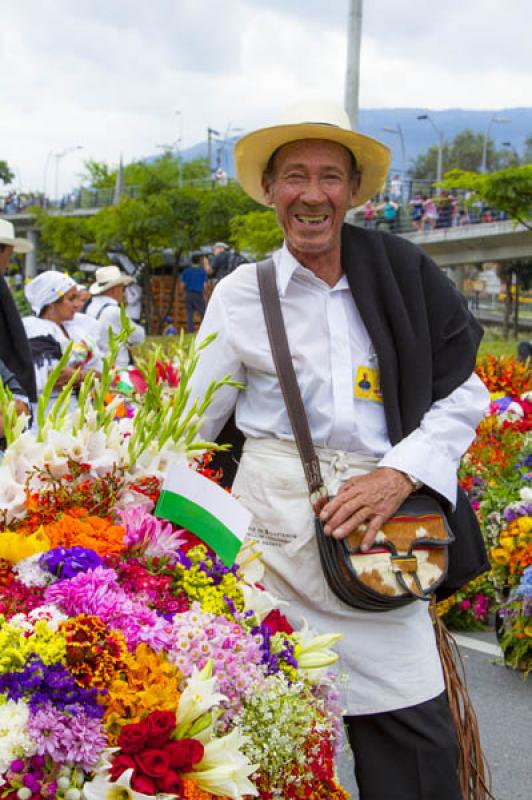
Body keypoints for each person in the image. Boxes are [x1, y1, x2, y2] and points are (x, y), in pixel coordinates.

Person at [188, 100, 490, 800]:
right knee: (272, 748)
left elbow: (464, 395)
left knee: (418, 749)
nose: (312, 194)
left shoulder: (404, 273)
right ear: (270, 190)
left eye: (330, 176)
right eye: (294, 175)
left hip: (384, 537)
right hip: (270, 556)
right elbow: (191, 426)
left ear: (354, 192)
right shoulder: (241, 295)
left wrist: (398, 472)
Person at [85, 265, 145, 368]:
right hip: (116, 367)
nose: (124, 292)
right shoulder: (114, 311)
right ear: (114, 290)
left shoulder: (90, 307)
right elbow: (139, 337)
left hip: (96, 365)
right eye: (123, 288)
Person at [180, 253, 207, 333]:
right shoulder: (202, 271)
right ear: (199, 261)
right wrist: (205, 294)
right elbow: (205, 285)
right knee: (202, 313)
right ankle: (204, 330)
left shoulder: (186, 271)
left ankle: (190, 331)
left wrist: (183, 293)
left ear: (191, 261)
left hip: (188, 293)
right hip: (198, 294)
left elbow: (182, 285)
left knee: (189, 313)